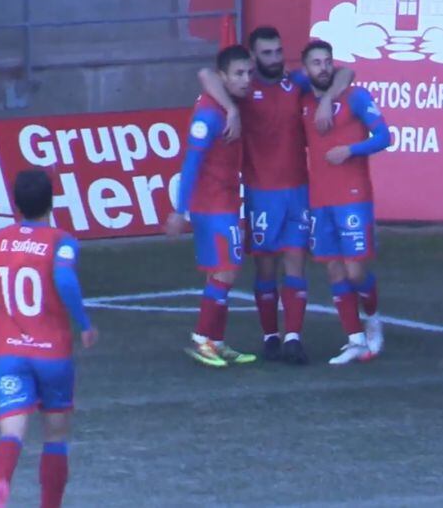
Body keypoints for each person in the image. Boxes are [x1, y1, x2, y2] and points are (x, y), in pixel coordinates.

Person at [197, 26, 354, 364]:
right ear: (254, 57)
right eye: (266, 54)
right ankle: (270, 337)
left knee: (296, 261)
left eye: (278, 52)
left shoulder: (295, 83)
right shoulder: (243, 87)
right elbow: (206, 74)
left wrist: (326, 98)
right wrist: (233, 109)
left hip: (297, 190)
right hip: (260, 192)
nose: (275, 59)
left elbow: (346, 72)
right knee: (265, 269)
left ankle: (294, 338)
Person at [0, 169, 99, 508]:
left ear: (16, 204)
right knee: (55, 436)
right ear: (51, 203)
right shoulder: (61, 240)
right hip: (52, 354)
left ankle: (1, 484)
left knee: (11, 432)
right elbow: (66, 281)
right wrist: (84, 323)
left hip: (11, 354)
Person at [297, 40, 391, 365]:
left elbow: (385, 136)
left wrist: (351, 150)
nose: (323, 68)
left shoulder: (357, 97)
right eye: (315, 63)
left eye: (327, 61)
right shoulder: (303, 100)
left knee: (354, 271)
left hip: (353, 197)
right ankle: (354, 339)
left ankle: (374, 318)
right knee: (333, 269)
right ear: (305, 68)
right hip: (320, 199)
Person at [166, 44, 258, 368]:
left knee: (222, 272)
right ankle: (202, 339)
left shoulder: (225, 103)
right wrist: (181, 210)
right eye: (239, 73)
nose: (247, 79)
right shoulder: (208, 114)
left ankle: (216, 341)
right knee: (226, 271)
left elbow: (206, 74)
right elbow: (191, 161)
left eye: (249, 72)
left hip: (226, 201)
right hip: (213, 204)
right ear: (224, 77)